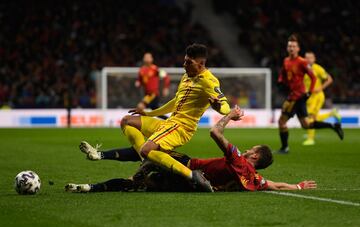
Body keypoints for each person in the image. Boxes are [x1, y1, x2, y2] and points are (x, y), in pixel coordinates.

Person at [66, 107, 317, 193]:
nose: (248, 150)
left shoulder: (239, 161)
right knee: (138, 183)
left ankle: (101, 156)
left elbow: (215, 132)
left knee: (149, 151)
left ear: (255, 156)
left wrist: (229, 115)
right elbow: (274, 185)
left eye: (252, 149)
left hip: (189, 168)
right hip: (189, 186)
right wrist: (296, 186)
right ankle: (90, 188)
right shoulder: (253, 178)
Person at [117, 43, 231, 191]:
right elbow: (175, 102)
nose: (184, 65)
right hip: (170, 123)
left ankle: (193, 176)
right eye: (184, 61)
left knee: (146, 149)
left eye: (188, 62)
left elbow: (225, 105)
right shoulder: (186, 76)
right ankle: (146, 159)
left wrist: (218, 108)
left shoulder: (209, 81)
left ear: (201, 64)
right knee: (127, 121)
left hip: (182, 128)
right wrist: (149, 113)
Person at [277, 35, 343, 154]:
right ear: (287, 48)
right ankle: (333, 126)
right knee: (306, 124)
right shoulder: (286, 61)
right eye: (289, 46)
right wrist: (281, 79)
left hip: (297, 97)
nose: (291, 48)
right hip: (294, 95)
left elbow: (312, 77)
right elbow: (283, 73)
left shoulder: (302, 62)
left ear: (298, 49)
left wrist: (309, 92)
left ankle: (284, 148)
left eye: (294, 46)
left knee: (282, 122)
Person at [302, 51, 341, 146]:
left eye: (310, 57)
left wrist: (320, 88)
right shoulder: (303, 69)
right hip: (308, 97)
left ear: (314, 59)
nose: (308, 59)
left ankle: (310, 139)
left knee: (310, 117)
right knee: (313, 118)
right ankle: (331, 114)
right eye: (306, 57)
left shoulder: (317, 68)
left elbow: (329, 79)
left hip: (317, 96)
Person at [136, 52, 170, 119]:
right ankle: (170, 120)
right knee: (157, 112)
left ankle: (139, 124)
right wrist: (138, 83)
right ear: (143, 59)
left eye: (149, 57)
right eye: (146, 57)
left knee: (140, 107)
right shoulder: (141, 70)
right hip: (147, 94)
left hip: (153, 94)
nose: (147, 59)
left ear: (152, 59)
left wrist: (166, 88)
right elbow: (140, 80)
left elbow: (166, 77)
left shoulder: (155, 69)